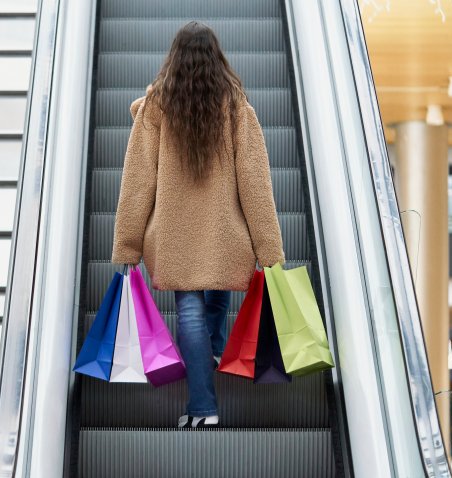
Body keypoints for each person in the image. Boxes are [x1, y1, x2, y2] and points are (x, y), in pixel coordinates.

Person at [111, 22, 285, 428]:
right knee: (218, 288)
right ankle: (206, 356)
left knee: (189, 310)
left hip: (174, 232)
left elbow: (138, 179)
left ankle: (203, 407)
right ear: (216, 57)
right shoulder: (236, 103)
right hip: (226, 231)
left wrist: (129, 243)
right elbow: (255, 180)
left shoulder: (157, 106)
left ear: (173, 58)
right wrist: (268, 245)